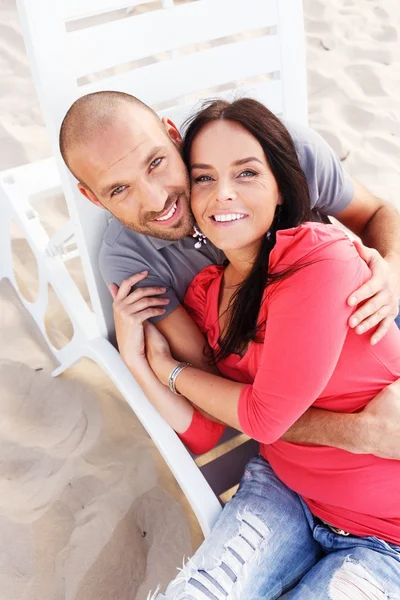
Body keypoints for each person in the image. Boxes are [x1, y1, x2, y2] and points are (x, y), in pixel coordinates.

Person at [112, 98, 400, 598]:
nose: (223, 194)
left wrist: (175, 373)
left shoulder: (321, 261)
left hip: (387, 537)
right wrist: (142, 362)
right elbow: (205, 432)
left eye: (246, 174)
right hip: (284, 492)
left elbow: (262, 419)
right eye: (203, 178)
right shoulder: (205, 294)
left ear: (280, 189)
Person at [59, 91, 400, 458]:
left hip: (375, 322)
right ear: (93, 198)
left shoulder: (277, 149)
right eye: (120, 189)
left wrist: (392, 270)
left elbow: (376, 212)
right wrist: (356, 432)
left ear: (172, 134)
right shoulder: (129, 260)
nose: (157, 200)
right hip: (295, 416)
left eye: (156, 163)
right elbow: (217, 388)